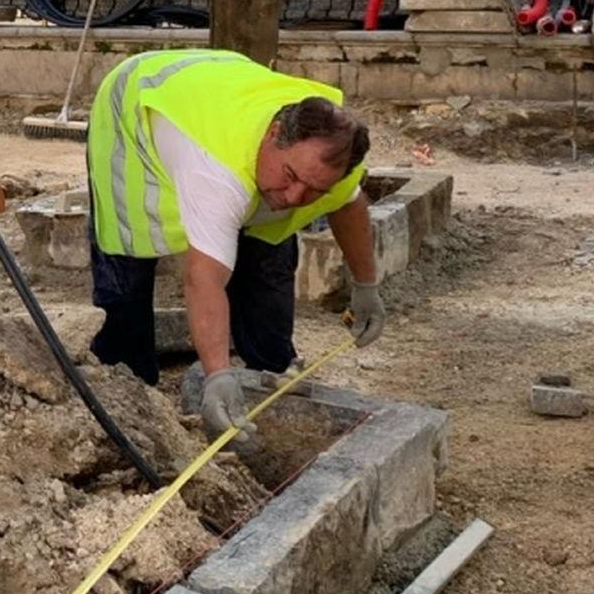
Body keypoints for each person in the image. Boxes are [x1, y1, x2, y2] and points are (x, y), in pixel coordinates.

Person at [86, 49, 383, 442]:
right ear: (275, 133)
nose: (295, 196)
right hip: (135, 111)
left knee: (267, 252)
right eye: (290, 175)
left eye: (314, 189)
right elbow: (203, 280)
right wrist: (218, 375)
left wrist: (366, 287)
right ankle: (129, 395)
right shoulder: (217, 171)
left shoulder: (330, 156)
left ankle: (271, 371)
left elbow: (348, 203)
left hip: (220, 90)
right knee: (126, 269)